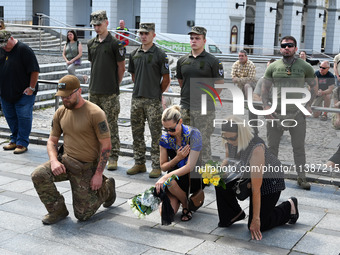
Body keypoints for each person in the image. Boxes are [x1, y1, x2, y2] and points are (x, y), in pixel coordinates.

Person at [31, 75, 116, 225]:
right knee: (38, 175)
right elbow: (52, 141)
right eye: (62, 96)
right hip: (65, 162)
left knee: (83, 215)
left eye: (68, 96)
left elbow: (106, 146)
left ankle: (107, 187)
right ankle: (57, 210)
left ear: (79, 91)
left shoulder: (95, 113)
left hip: (86, 167)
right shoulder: (61, 112)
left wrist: (98, 174)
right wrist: (54, 161)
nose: (65, 100)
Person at [215, 116, 299, 240]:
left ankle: (288, 207)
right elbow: (228, 159)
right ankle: (233, 214)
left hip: (270, 181)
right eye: (225, 137)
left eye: (231, 138)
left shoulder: (256, 148)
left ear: (241, 134)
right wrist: (217, 173)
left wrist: (256, 219)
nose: (228, 141)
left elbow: (256, 188)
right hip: (246, 175)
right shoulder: (229, 140)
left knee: (258, 225)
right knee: (219, 180)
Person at [262, 35, 318, 190]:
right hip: (275, 113)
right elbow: (264, 89)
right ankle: (271, 176)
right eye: (284, 45)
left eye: (290, 45)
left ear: (295, 48)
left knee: (298, 147)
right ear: (280, 48)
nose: (287, 48)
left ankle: (301, 177)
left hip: (297, 114)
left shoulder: (305, 66)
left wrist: (308, 105)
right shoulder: (273, 67)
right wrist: (266, 107)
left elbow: (314, 86)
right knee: (272, 147)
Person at [126, 23, 170, 178]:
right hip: (136, 99)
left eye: (146, 33)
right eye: (141, 33)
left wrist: (156, 92)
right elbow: (133, 76)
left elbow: (166, 79)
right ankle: (139, 162)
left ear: (153, 35)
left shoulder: (160, 54)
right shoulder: (134, 54)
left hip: (153, 100)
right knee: (136, 132)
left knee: (156, 134)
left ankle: (157, 165)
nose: (143, 36)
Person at [176, 26, 224, 164]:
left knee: (203, 141)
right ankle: (187, 171)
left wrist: (209, 98)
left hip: (205, 108)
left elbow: (219, 83)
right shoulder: (182, 60)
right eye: (191, 38)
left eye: (197, 38)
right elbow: (181, 81)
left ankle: (206, 173)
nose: (194, 41)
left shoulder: (213, 61)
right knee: (185, 141)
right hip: (186, 106)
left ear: (204, 40)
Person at [87, 10, 126, 171]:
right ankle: (95, 155)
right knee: (93, 125)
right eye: (94, 25)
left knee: (110, 125)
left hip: (109, 92)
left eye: (99, 24)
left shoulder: (116, 44)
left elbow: (121, 68)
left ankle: (113, 156)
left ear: (107, 23)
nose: (97, 28)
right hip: (94, 91)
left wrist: (114, 85)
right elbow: (93, 65)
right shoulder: (91, 44)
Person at [155, 105, 203, 221]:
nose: (168, 132)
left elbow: (190, 166)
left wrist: (165, 177)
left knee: (169, 180)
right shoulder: (164, 138)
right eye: (165, 129)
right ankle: (183, 200)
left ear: (180, 121)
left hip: (192, 175)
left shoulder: (194, 134)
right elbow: (163, 166)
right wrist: (177, 158)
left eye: (171, 129)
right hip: (175, 177)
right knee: (165, 213)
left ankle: (186, 206)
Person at [0, 30, 39, 154]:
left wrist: (31, 88)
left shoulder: (24, 49)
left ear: (11, 38)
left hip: (24, 92)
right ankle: (14, 139)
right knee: (10, 117)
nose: (4, 47)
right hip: (6, 92)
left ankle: (22, 142)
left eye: (5, 44)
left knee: (23, 118)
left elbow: (34, 70)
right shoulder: (2, 50)